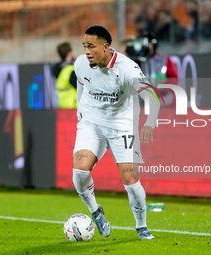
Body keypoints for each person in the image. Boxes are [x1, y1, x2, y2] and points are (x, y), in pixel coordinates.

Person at [73, 25, 159, 239]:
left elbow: (152, 96)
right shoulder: (81, 64)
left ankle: (141, 226)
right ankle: (95, 211)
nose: (86, 51)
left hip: (123, 125)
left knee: (130, 179)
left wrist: (150, 122)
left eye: (91, 46)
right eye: (84, 46)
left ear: (106, 47)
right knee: (80, 170)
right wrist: (80, 112)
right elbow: (81, 84)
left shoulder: (127, 68)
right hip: (92, 122)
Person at [51, 42, 77, 109]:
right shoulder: (70, 69)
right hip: (72, 104)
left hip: (62, 103)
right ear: (69, 53)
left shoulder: (57, 68)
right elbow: (78, 86)